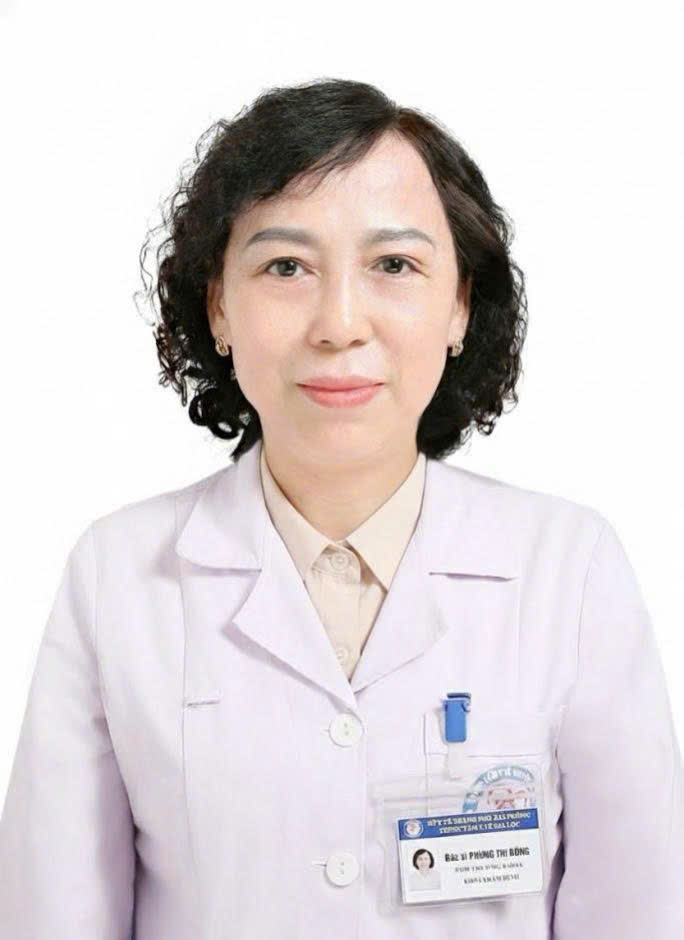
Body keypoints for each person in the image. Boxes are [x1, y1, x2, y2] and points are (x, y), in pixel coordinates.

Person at [0, 77, 681, 939]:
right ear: (219, 306)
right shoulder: (119, 575)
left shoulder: (568, 569)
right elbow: (52, 917)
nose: (340, 323)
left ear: (459, 306)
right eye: (286, 267)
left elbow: (640, 913)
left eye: (394, 265)